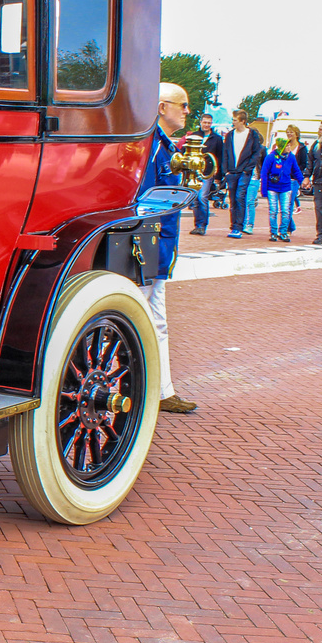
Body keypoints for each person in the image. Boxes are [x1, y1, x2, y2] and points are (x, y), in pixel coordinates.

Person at [138, 83, 197, 414]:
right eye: (182, 105)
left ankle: (162, 390)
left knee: (157, 320)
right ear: (162, 107)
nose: (187, 111)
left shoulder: (162, 146)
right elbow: (147, 201)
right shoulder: (153, 148)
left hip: (160, 245)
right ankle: (154, 390)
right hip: (151, 245)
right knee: (144, 317)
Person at [219, 109, 263, 239]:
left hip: (244, 171)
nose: (233, 122)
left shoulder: (252, 135)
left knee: (240, 196)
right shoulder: (230, 135)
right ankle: (234, 226)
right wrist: (226, 170)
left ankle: (238, 226)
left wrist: (247, 169)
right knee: (233, 199)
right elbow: (225, 153)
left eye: (235, 120)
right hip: (231, 171)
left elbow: (256, 153)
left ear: (242, 121)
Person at [261, 135, 303, 241]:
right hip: (272, 188)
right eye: (287, 146)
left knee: (286, 210)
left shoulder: (291, 157)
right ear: (281, 147)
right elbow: (264, 173)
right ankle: (273, 232)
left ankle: (283, 231)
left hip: (286, 187)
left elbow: (296, 170)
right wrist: (264, 190)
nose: (289, 148)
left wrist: (302, 181)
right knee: (273, 211)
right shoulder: (271, 157)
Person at [188, 113, 224, 236]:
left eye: (209, 123)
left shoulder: (217, 139)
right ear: (201, 122)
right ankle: (197, 225)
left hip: (207, 172)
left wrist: (219, 174)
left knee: (202, 197)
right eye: (205, 122)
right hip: (194, 172)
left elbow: (220, 156)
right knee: (195, 199)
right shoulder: (194, 136)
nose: (206, 125)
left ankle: (202, 225)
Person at [284, 124, 308, 235]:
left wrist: (297, 173)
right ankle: (291, 226)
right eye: (288, 132)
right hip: (283, 178)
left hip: (293, 179)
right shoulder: (283, 146)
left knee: (288, 204)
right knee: (283, 204)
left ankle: (285, 229)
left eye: (291, 132)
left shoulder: (302, 148)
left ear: (296, 134)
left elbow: (303, 163)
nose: (289, 134)